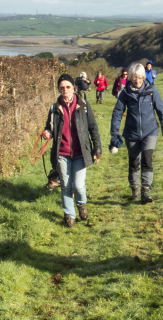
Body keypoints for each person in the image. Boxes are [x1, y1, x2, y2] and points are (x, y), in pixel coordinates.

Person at [42, 74, 102, 228]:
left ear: (74, 88)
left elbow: (93, 128)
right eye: (62, 88)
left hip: (80, 153)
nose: (65, 90)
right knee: (66, 186)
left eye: (68, 87)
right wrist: (47, 132)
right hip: (62, 154)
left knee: (79, 186)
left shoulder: (83, 106)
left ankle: (82, 204)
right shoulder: (54, 108)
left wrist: (98, 149)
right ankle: (69, 215)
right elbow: (49, 127)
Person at [110, 63, 163, 203]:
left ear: (143, 77)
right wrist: (114, 132)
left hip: (150, 131)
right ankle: (135, 188)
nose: (137, 81)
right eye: (133, 78)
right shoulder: (125, 93)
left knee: (147, 160)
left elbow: (161, 111)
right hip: (131, 133)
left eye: (139, 78)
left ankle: (146, 190)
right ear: (130, 77)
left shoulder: (152, 90)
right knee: (134, 162)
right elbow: (117, 113)